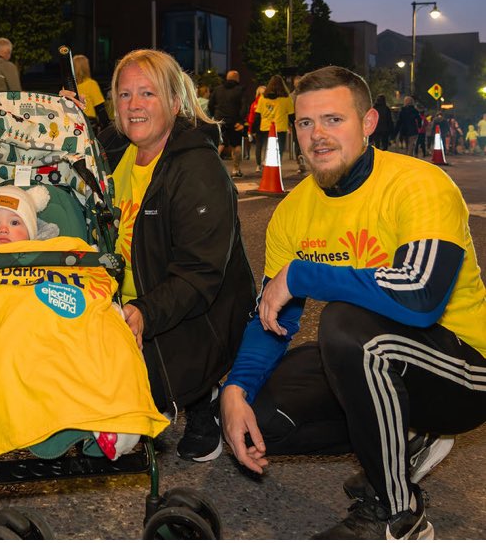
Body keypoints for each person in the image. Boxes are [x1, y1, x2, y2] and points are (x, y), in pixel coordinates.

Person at [220, 66, 486, 539]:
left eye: (333, 120)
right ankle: (401, 442)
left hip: (465, 369)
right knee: (259, 414)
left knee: (345, 328)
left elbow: (421, 297)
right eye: (305, 123)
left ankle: (395, 513)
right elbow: (271, 317)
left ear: (367, 124)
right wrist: (236, 389)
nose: (317, 135)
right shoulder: (293, 211)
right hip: (380, 356)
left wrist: (303, 274)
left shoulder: (418, 184)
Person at [97, 49, 256, 462]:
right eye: (124, 94)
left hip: (189, 314)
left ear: (174, 102)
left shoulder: (197, 169)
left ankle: (205, 396)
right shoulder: (113, 150)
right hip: (119, 303)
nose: (133, 106)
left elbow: (199, 275)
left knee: (124, 403)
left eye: (147, 94)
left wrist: (144, 312)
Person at [0, 181, 169, 459]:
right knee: (26, 353)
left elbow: (91, 278)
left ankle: (116, 415)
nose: (3, 229)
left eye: (15, 221)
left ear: (33, 230)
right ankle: (75, 424)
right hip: (29, 325)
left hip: (74, 315)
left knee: (113, 338)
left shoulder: (65, 249)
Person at [208, 70, 248, 178]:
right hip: (235, 121)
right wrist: (241, 121)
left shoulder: (217, 90)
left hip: (220, 120)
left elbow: (210, 105)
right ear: (237, 78)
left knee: (220, 144)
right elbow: (244, 107)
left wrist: (215, 116)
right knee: (236, 145)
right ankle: (236, 169)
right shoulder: (240, 90)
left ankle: (212, 167)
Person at [254, 75, 294, 164]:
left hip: (265, 128)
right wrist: (294, 125)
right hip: (280, 128)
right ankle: (275, 168)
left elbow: (257, 115)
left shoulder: (263, 98)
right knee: (279, 150)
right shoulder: (286, 99)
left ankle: (267, 164)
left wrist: (254, 129)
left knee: (268, 148)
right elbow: (291, 115)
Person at [72, 54, 109, 132]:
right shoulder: (91, 84)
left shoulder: (67, 87)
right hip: (88, 126)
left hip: (72, 125)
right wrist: (107, 126)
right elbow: (100, 108)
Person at [247, 85, 265, 172]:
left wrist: (250, 130)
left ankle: (258, 165)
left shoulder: (254, 104)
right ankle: (266, 162)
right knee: (267, 146)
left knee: (259, 146)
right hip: (267, 126)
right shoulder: (268, 102)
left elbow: (251, 118)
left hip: (257, 128)